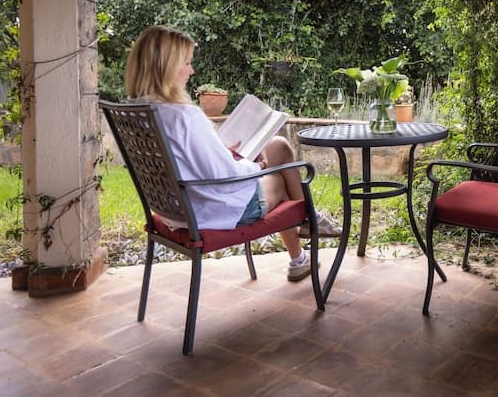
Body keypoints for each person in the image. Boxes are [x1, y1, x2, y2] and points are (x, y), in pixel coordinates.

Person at [124, 25, 340, 282]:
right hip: (213, 211)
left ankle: (301, 253)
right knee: (280, 176)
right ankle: (308, 223)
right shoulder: (184, 116)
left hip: (175, 210)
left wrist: (224, 153)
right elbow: (227, 177)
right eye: (187, 63)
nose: (192, 71)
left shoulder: (137, 112)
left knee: (278, 146)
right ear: (166, 67)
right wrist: (256, 166)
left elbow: (182, 159)